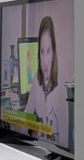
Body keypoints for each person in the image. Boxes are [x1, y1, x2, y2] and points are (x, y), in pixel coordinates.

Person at [25, 14, 68, 147]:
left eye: (48, 51)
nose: (44, 61)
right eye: (42, 51)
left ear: (54, 53)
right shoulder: (36, 79)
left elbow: (66, 140)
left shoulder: (62, 84)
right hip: (38, 150)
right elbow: (26, 118)